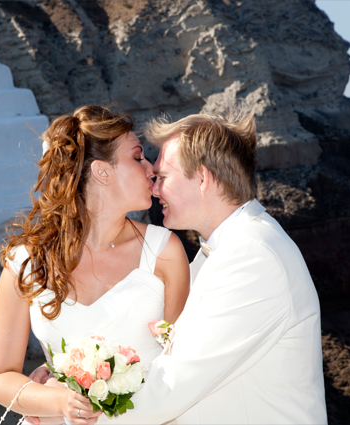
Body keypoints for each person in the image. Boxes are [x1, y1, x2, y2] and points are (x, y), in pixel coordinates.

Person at [111, 111, 328, 424]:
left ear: (202, 179)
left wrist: (68, 412)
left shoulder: (253, 257)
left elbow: (171, 387)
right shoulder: (223, 250)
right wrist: (72, 377)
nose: (154, 190)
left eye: (162, 178)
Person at [0, 105, 190, 425]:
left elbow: (183, 364)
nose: (151, 169)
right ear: (102, 172)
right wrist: (58, 400)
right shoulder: (27, 262)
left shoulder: (164, 252)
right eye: (137, 157)